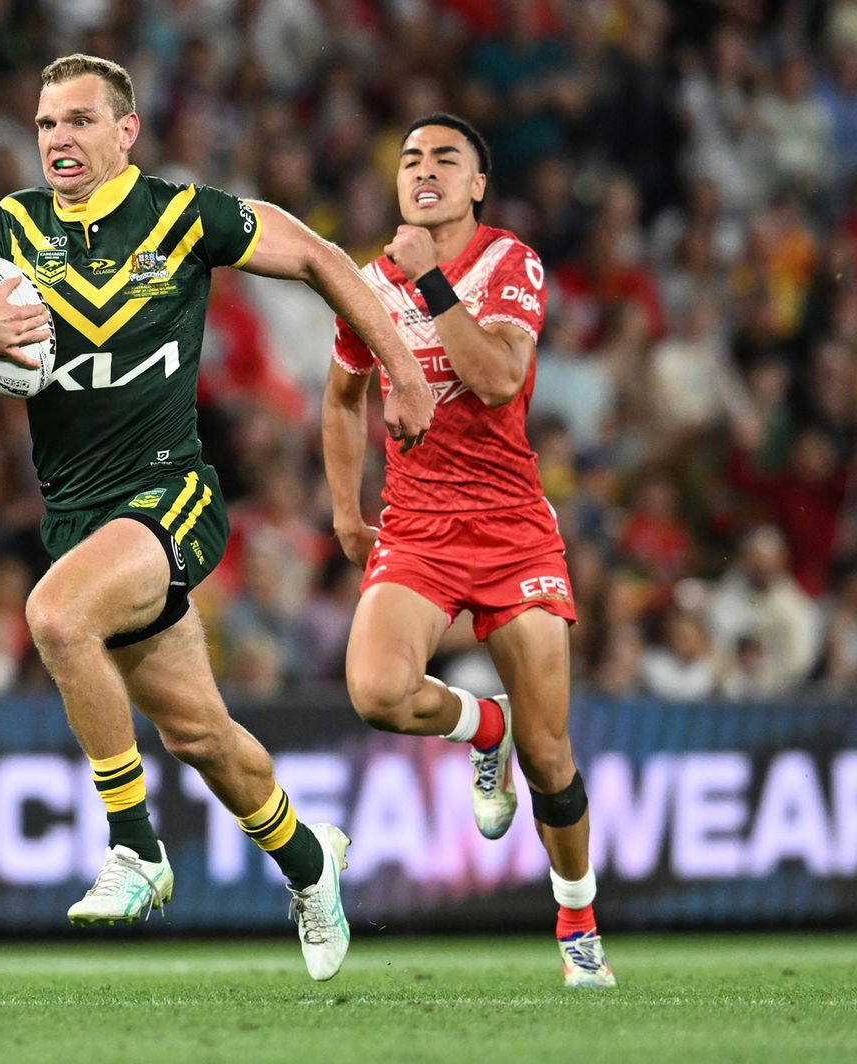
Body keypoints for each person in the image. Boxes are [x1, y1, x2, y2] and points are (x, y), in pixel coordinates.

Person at [0, 54, 435, 981]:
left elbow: (313, 254)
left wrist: (401, 363)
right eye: (45, 124)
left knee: (56, 616)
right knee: (203, 738)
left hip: (171, 495)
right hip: (78, 516)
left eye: (77, 121)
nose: (58, 140)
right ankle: (313, 864)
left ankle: (136, 848)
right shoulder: (12, 230)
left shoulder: (182, 217)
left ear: (126, 131)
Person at [322, 113, 615, 988]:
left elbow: (496, 379)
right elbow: (342, 397)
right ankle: (482, 723)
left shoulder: (510, 261)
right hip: (416, 526)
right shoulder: (368, 282)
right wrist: (345, 508)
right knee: (376, 691)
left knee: (553, 756)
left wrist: (432, 284)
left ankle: (577, 923)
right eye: (409, 155)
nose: (424, 169)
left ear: (478, 183)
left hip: (512, 525)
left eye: (446, 157)